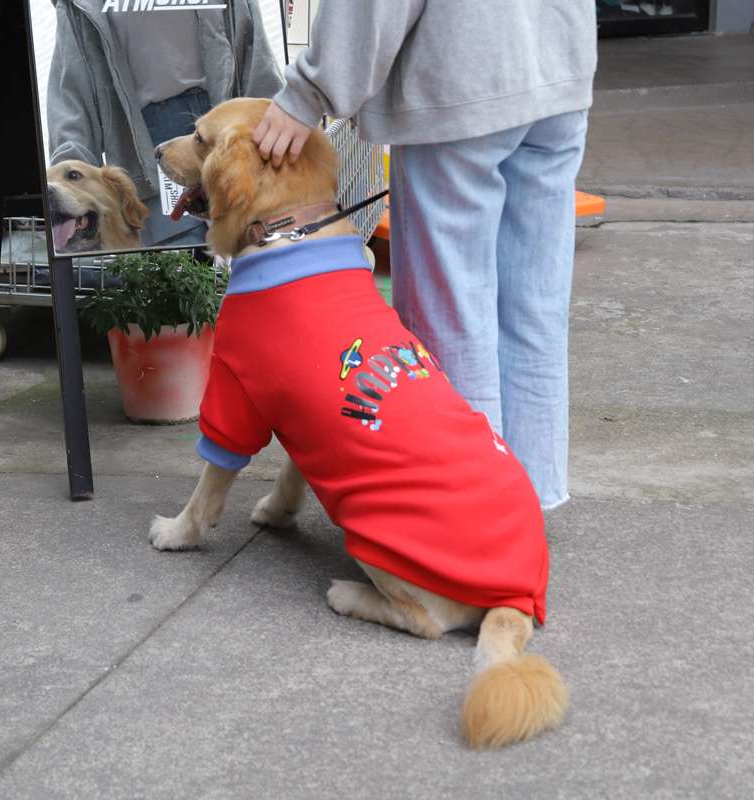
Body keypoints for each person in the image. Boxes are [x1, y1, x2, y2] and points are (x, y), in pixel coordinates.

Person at [253, 0, 597, 510]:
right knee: (534, 312)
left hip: (459, 82)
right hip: (560, 68)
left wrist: (308, 93)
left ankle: (471, 516)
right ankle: (528, 502)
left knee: (452, 319)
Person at [47, 0, 283, 248]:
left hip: (229, 139)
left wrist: (279, 143)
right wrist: (69, 189)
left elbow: (257, 65)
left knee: (254, 258)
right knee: (184, 268)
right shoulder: (81, 6)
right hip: (149, 152)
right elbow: (72, 100)